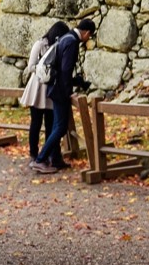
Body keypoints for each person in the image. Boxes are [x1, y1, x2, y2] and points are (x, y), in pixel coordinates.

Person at [32, 16, 95, 171]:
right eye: (90, 36)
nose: (88, 39)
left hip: (53, 87)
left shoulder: (65, 38)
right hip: (60, 91)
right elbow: (65, 70)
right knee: (60, 127)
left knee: (56, 126)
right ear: (86, 32)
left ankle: (55, 159)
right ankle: (41, 159)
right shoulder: (72, 42)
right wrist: (69, 92)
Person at [20, 21, 69, 160]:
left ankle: (48, 153)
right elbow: (31, 66)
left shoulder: (59, 46)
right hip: (38, 86)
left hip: (50, 87)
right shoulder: (40, 44)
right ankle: (33, 152)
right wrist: (45, 70)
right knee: (36, 122)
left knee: (50, 122)